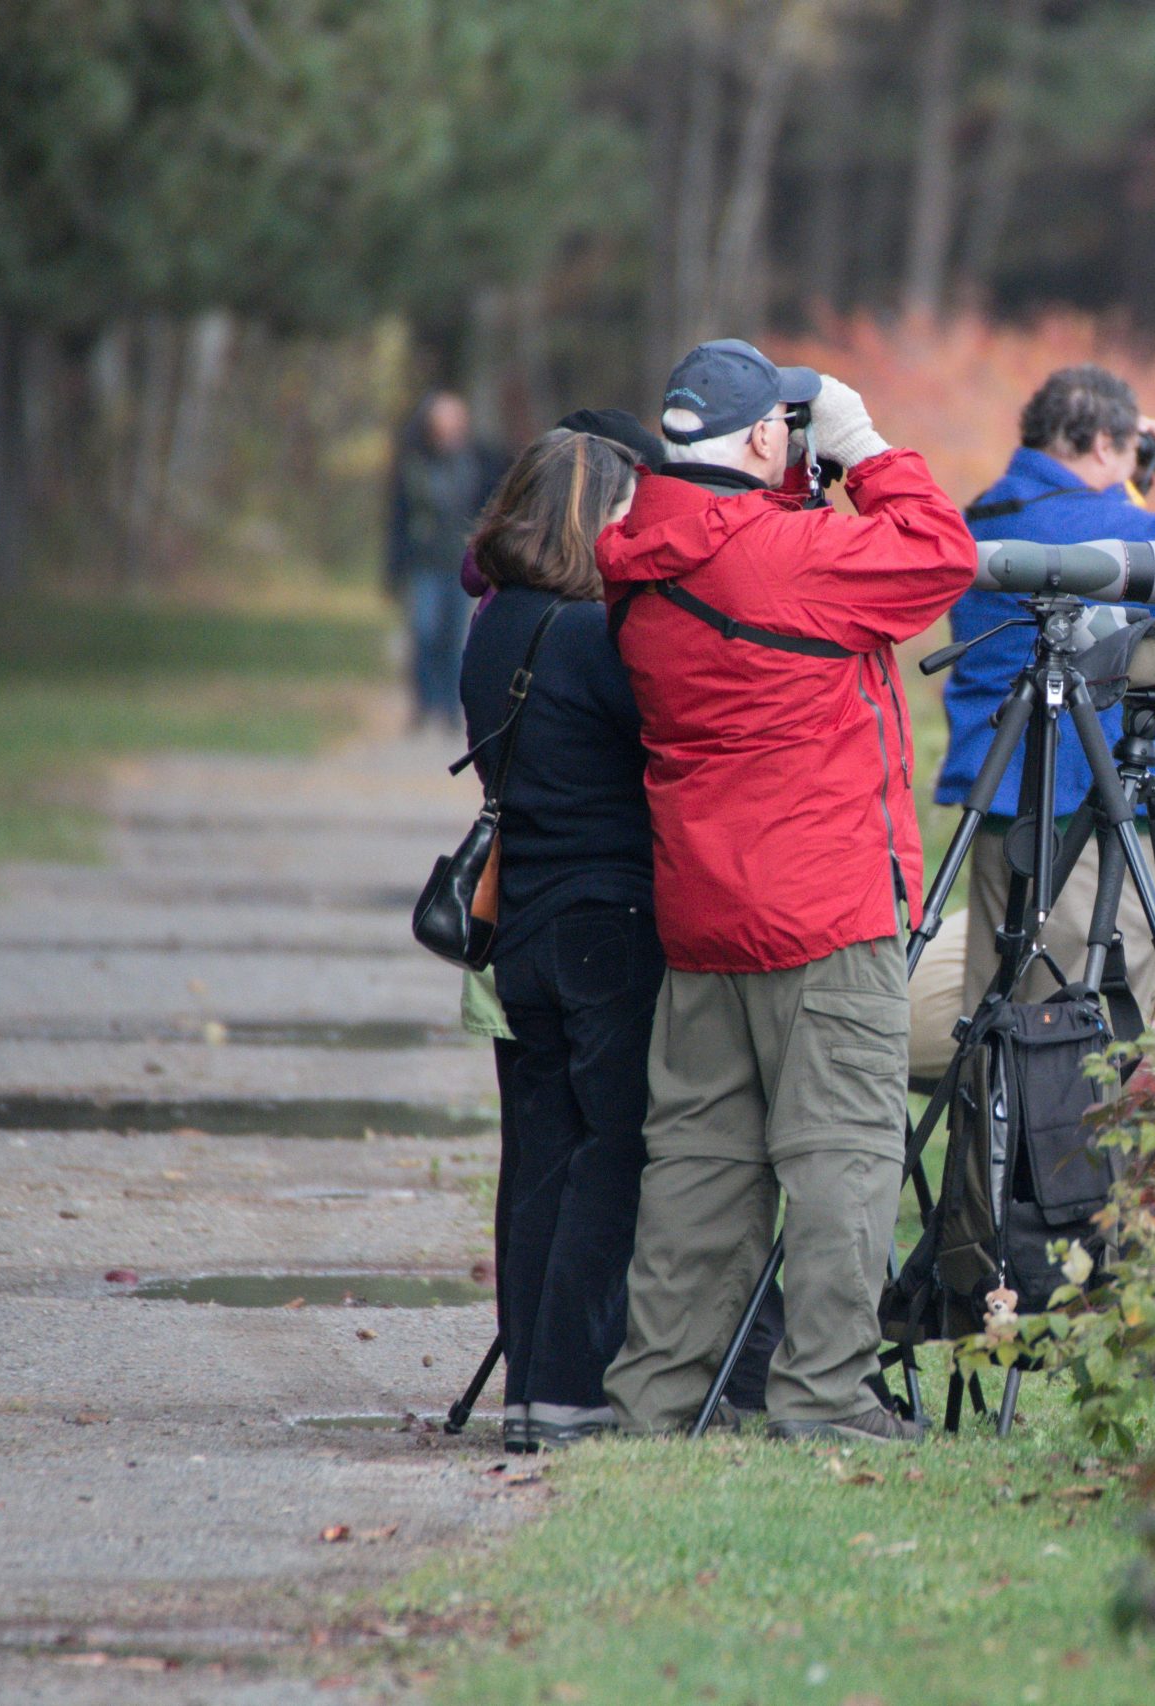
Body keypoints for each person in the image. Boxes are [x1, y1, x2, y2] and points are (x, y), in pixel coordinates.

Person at [597, 339, 976, 1445]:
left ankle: (655, 1399)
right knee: (843, 1154)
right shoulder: (793, 559)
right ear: (765, 436)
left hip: (704, 906)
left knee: (700, 1162)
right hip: (821, 904)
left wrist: (793, 479)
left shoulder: (643, 554)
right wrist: (859, 444)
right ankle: (819, 1398)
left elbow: (739, 538)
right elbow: (940, 554)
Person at [935, 365, 1155, 1021]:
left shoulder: (982, 517)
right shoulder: (1100, 533)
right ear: (1107, 445)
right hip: (1086, 818)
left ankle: (990, 1127)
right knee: (1098, 1029)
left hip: (1001, 815)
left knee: (999, 1018)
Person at [458, 429, 664, 1451]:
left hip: (520, 925)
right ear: (595, 515)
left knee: (535, 1153)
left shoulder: (492, 624)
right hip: (607, 918)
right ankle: (576, 1387)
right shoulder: (595, 635)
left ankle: (530, 1385)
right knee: (610, 1148)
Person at [388, 390, 506, 729]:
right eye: (442, 417)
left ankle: (452, 709)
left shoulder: (480, 460)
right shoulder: (414, 463)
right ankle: (424, 704)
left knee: (457, 638)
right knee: (424, 633)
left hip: (463, 564)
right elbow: (398, 517)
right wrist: (394, 567)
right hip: (424, 562)